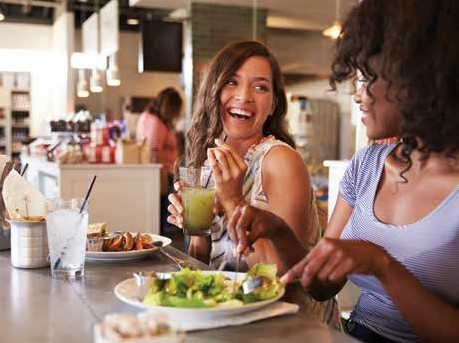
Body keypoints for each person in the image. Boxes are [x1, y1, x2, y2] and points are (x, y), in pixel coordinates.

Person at [228, 1, 459, 342]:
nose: (357, 95)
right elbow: (320, 287)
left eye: (368, 77)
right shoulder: (366, 165)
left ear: (418, 76)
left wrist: (382, 264)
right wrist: (277, 231)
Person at [167, 41, 340, 327]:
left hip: (291, 327)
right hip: (233, 320)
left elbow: (277, 277)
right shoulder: (210, 162)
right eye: (232, 82)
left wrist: (234, 201)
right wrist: (197, 230)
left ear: (273, 104)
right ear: (214, 91)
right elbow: (206, 266)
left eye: (260, 87)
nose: (244, 96)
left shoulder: (281, 160)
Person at [136, 87, 182, 231]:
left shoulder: (147, 116)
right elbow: (154, 152)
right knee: (163, 218)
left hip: (160, 174)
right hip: (162, 175)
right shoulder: (156, 123)